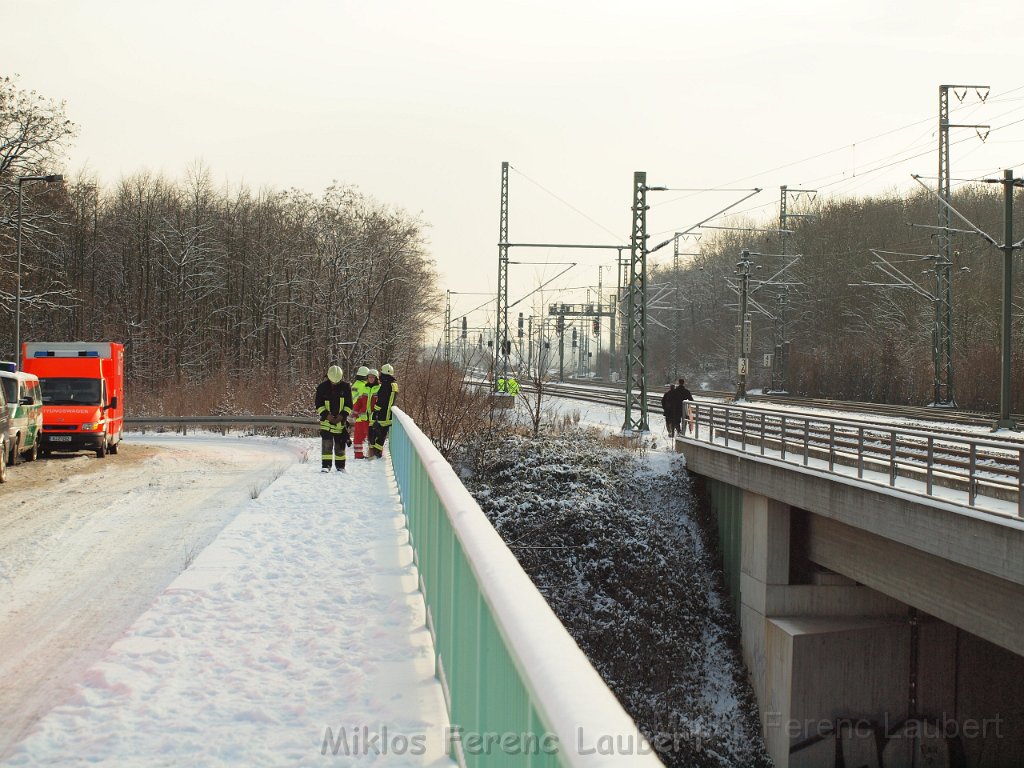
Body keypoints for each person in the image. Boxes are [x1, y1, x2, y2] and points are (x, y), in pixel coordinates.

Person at [315, 365, 353, 472]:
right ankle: (326, 466)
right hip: (326, 422)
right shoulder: (322, 387)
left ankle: (340, 466)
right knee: (327, 444)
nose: (334, 384)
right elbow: (318, 404)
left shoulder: (346, 387)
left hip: (340, 423)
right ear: (328, 377)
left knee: (340, 445)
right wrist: (327, 416)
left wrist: (342, 416)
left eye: (336, 382)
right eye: (332, 382)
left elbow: (349, 405)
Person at [369, 363, 398, 458]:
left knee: (375, 432)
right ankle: (377, 451)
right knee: (383, 434)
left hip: (382, 414)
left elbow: (381, 400)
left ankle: (375, 452)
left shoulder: (385, 385)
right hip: (389, 415)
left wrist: (376, 411)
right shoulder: (394, 385)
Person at [350, 365, 371, 459]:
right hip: (363, 414)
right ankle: (373, 454)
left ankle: (358, 454)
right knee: (369, 435)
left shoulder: (354, 385)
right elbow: (365, 401)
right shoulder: (364, 387)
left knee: (357, 436)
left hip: (355, 413)